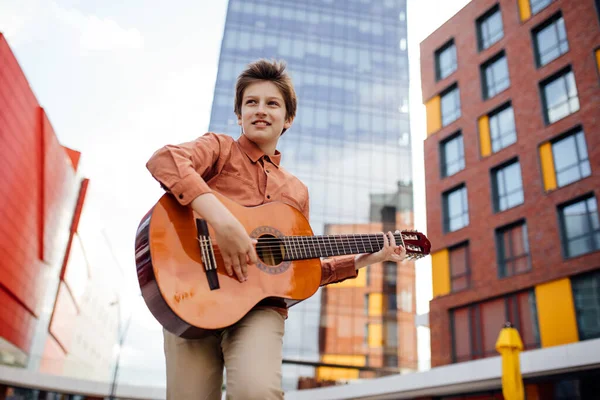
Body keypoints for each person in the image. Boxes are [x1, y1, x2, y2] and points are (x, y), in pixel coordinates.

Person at [146, 59, 407, 400]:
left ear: (288, 119)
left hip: (260, 309)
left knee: (257, 392)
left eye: (272, 103)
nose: (260, 110)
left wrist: (363, 261)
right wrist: (223, 223)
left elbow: (297, 273)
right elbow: (164, 159)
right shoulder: (219, 149)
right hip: (192, 295)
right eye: (251, 102)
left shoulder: (296, 192)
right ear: (239, 115)